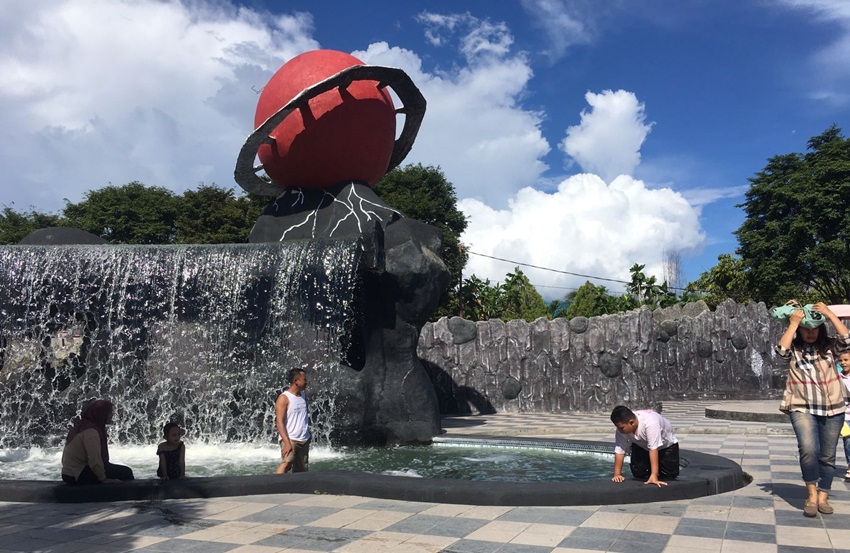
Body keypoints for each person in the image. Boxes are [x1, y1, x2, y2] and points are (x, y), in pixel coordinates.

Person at [776, 301, 850, 517]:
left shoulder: (830, 347)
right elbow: (781, 351)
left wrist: (828, 313)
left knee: (827, 455)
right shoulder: (795, 350)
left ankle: (823, 495)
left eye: (813, 328)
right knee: (808, 449)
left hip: (833, 407)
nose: (809, 333)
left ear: (820, 328)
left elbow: (847, 339)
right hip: (801, 406)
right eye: (805, 329)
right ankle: (810, 494)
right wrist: (793, 323)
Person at [61, 399, 134, 484]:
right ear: (102, 414)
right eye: (109, 413)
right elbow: (94, 459)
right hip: (77, 474)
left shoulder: (81, 426)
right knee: (126, 473)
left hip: (68, 472)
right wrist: (103, 479)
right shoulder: (91, 431)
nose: (112, 415)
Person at [610, 405, 679, 487]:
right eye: (618, 428)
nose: (619, 431)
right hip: (641, 445)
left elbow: (653, 448)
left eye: (621, 428)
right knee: (639, 473)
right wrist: (617, 474)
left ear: (631, 422)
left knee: (669, 475)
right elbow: (619, 450)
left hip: (666, 447)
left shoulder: (650, 423)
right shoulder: (621, 429)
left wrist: (654, 475)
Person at [274, 368, 311, 474]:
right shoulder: (284, 398)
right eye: (304, 379)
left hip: (304, 439)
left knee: (301, 471)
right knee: (286, 463)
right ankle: (272, 486)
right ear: (296, 381)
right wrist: (286, 443)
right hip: (290, 439)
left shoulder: (303, 394)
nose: (306, 382)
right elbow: (279, 422)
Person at [837, 351, 850, 482]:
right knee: (848, 442)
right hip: (845, 416)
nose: (843, 363)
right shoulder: (838, 377)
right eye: (841, 361)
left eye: (846, 360)